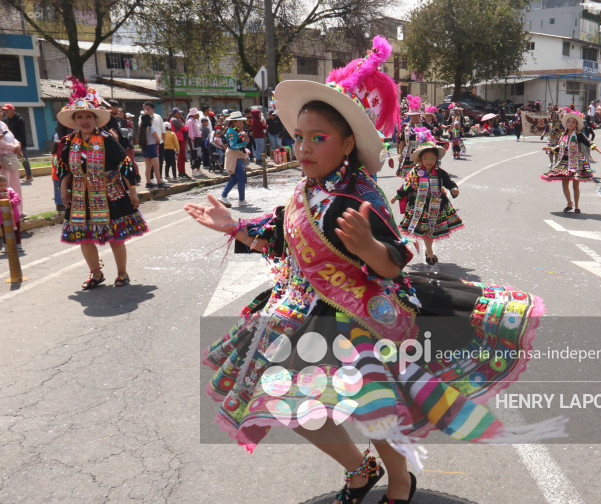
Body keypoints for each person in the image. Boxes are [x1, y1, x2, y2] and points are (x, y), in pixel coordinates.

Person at [184, 36, 564, 504]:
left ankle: (400, 482)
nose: (303, 147)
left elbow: (394, 262)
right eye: (299, 138)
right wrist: (235, 227)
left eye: (317, 139)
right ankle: (360, 469)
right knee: (290, 405)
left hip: (360, 317)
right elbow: (284, 238)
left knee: (374, 410)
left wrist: (367, 247)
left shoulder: (363, 193)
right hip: (302, 313)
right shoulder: (307, 188)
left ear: (347, 143)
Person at [56, 77, 148, 289]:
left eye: (89, 116)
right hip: (80, 196)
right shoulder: (69, 143)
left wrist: (132, 191)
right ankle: (96, 273)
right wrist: (63, 189)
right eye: (80, 117)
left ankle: (122, 274)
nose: (85, 120)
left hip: (109, 193)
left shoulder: (107, 139)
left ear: (95, 118)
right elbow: (64, 168)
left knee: (116, 237)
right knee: (84, 237)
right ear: (75, 120)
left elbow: (124, 164)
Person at [391, 129, 462, 265]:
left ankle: (428, 250)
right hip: (419, 205)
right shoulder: (415, 172)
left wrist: (454, 189)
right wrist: (397, 196)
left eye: (432, 158)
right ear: (420, 159)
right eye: (426, 158)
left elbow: (448, 183)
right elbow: (406, 185)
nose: (429, 161)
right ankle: (429, 252)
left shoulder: (440, 172)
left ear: (436, 159)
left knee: (431, 229)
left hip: (436, 205)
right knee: (425, 230)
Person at [540, 109, 601, 213]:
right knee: (564, 183)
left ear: (576, 124)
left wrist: (599, 150)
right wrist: (549, 149)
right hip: (564, 162)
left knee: (576, 185)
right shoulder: (564, 135)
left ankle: (577, 206)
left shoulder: (579, 135)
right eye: (569, 122)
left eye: (573, 122)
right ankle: (569, 203)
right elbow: (560, 147)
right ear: (566, 124)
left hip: (576, 162)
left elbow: (589, 142)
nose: (570, 124)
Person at [220, 111, 249, 207]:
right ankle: (241, 200)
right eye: (240, 122)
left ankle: (223, 196)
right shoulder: (231, 132)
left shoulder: (236, 130)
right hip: (234, 156)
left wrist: (245, 139)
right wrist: (244, 143)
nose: (242, 124)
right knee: (241, 178)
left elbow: (241, 141)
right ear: (235, 122)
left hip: (237, 155)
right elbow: (233, 146)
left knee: (234, 178)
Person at [1, 104, 32, 182]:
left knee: (23, 160)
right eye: (4, 110)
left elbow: (22, 133)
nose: (5, 112)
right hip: (10, 147)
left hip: (19, 144)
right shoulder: (5, 121)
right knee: (12, 162)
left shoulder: (20, 120)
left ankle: (29, 174)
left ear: (13, 110)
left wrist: (18, 145)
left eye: (7, 110)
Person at [0, 119, 24, 214]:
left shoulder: (3, 124)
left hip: (11, 157)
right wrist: (13, 147)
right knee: (5, 185)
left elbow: (12, 137)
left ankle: (18, 210)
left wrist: (17, 144)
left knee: (16, 184)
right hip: (2, 158)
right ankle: (8, 212)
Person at [142, 101, 165, 178]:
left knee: (160, 162)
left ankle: (160, 177)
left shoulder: (158, 116)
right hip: (149, 144)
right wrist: (146, 117)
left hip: (159, 143)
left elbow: (163, 129)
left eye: (148, 108)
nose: (146, 110)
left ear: (153, 109)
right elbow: (141, 127)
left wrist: (163, 141)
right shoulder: (142, 117)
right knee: (150, 165)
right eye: (145, 108)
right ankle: (151, 179)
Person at [0, 173, 23, 252]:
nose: (3, 187)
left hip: (14, 216)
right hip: (2, 218)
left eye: (5, 185)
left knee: (17, 231)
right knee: (5, 231)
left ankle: (18, 244)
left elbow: (17, 198)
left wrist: (11, 202)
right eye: (1, 185)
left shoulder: (10, 191)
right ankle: (6, 245)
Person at [169, 107, 190, 179]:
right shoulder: (174, 120)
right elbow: (184, 128)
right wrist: (186, 126)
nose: (180, 114)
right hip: (179, 139)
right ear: (174, 114)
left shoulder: (178, 119)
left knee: (182, 156)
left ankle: (182, 172)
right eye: (178, 113)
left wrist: (185, 126)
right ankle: (181, 172)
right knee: (181, 156)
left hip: (181, 139)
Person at [186, 107, 203, 177]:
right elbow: (190, 131)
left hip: (198, 138)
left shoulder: (196, 121)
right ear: (193, 114)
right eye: (197, 114)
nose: (198, 115)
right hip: (194, 139)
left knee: (199, 154)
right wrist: (193, 139)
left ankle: (198, 168)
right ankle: (193, 169)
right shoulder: (190, 121)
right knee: (194, 154)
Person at [50, 142, 66, 211]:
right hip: (57, 177)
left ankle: (61, 203)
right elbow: (57, 166)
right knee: (58, 191)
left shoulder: (56, 155)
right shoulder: (56, 156)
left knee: (60, 190)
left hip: (58, 176)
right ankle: (59, 204)